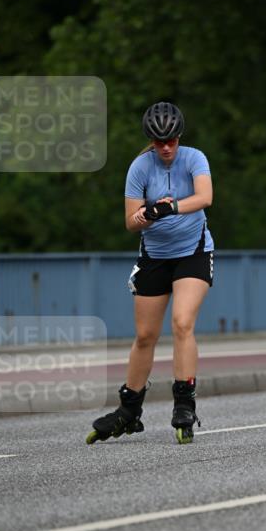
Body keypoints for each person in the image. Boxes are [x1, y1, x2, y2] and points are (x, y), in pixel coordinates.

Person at [87, 101, 214, 444]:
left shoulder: (194, 158)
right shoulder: (140, 168)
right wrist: (142, 217)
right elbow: (130, 222)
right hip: (154, 256)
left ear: (179, 136)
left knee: (182, 323)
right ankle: (129, 410)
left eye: (171, 140)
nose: (167, 147)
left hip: (193, 253)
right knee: (145, 336)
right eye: (159, 142)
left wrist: (170, 206)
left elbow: (205, 197)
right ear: (151, 142)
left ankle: (184, 404)